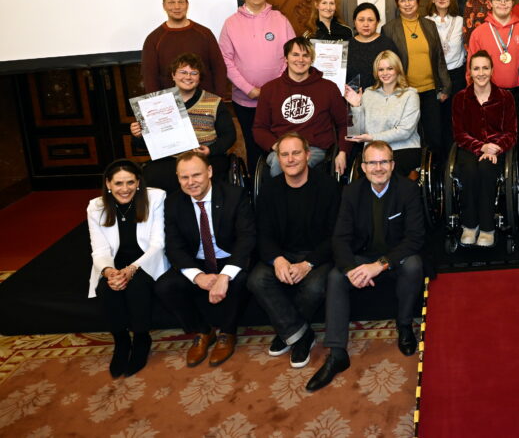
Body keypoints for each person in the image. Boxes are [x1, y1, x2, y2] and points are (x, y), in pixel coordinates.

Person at [306, 141, 425, 392]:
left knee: (414, 265)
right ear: (362, 167)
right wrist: (351, 269)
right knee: (336, 277)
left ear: (393, 165)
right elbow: (340, 237)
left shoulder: (409, 190)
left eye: (384, 162)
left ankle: (404, 325)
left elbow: (415, 238)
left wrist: (379, 265)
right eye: (372, 162)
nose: (378, 168)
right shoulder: (351, 192)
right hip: (363, 256)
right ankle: (337, 353)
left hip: (394, 257)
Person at [247, 133, 340, 369]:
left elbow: (336, 235)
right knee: (257, 279)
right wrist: (277, 260)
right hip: (283, 253)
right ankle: (300, 334)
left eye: (296, 153)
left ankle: (288, 331)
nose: (290, 159)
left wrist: (307, 264)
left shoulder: (328, 187)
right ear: (277, 158)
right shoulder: (269, 190)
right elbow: (263, 233)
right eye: (284, 154)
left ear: (308, 155)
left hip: (318, 256)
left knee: (315, 285)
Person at [155, 151, 255, 367]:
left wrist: (225, 275)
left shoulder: (234, 195)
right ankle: (203, 330)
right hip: (197, 261)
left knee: (241, 280)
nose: (191, 182)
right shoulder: (173, 203)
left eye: (196, 175)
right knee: (165, 286)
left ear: (209, 172)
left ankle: (227, 333)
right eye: (184, 177)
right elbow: (174, 246)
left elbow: (247, 238)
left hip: (228, 257)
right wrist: (197, 275)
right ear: (178, 178)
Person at [87, 159, 168, 377]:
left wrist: (132, 269)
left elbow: (157, 244)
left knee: (137, 286)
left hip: (146, 262)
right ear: (108, 184)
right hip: (115, 264)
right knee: (107, 288)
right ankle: (121, 341)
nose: (125, 189)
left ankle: (142, 338)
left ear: (138, 182)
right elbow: (99, 250)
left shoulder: (156, 198)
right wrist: (108, 272)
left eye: (130, 182)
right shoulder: (95, 207)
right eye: (119, 183)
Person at [219, 0, 296, 172]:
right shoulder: (231, 23)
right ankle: (257, 192)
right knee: (254, 149)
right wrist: (249, 89)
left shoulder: (280, 19)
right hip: (245, 101)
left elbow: (292, 55)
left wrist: (273, 88)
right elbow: (225, 59)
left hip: (278, 99)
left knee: (282, 147)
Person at [130, 53, 236, 191]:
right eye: (183, 72)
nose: (188, 77)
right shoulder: (156, 104)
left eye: (194, 73)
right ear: (173, 75)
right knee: (151, 175)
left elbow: (229, 136)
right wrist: (137, 134)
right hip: (170, 160)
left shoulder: (214, 102)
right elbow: (143, 145)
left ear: (199, 78)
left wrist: (210, 150)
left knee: (210, 172)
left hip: (206, 158)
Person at [252, 37, 351, 177]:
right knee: (282, 162)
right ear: (286, 58)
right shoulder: (270, 89)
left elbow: (344, 123)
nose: (301, 59)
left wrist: (343, 152)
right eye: (295, 54)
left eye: (306, 55)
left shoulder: (328, 88)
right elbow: (259, 128)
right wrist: (277, 146)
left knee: (297, 163)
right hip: (281, 148)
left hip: (314, 148)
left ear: (312, 60)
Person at [452, 50, 517, 247]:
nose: (481, 73)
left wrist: (494, 149)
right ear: (469, 72)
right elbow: (459, 133)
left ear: (492, 70)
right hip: (470, 148)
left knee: (487, 170)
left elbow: (511, 133)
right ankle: (470, 225)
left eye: (485, 68)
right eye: (476, 68)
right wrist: (481, 147)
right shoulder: (460, 98)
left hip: (497, 150)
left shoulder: (505, 97)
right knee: (470, 171)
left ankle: (488, 227)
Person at [467, 0, 519, 173]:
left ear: (513, 2)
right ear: (491, 3)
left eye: (507, 0)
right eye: (499, 0)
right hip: (490, 96)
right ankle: (496, 179)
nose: (503, 4)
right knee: (494, 139)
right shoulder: (479, 32)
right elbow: (470, 68)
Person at [381, 0, 451, 158]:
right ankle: (414, 173)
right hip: (404, 92)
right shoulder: (389, 29)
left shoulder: (429, 25)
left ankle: (435, 175)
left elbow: (439, 58)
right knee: (410, 138)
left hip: (430, 91)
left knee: (434, 137)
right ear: (397, 4)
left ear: (417, 2)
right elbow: (388, 63)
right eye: (402, 0)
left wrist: (446, 87)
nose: (407, 4)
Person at [142, 0, 229, 99]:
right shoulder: (153, 39)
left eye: (181, 2)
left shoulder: (205, 33)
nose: (177, 7)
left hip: (205, 102)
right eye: (171, 2)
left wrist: (220, 97)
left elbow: (219, 68)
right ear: (164, 6)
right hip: (171, 106)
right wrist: (158, 106)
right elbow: (150, 77)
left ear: (187, 5)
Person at [344, 50, 421, 177]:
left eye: (389, 68)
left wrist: (372, 137)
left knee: (391, 172)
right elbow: (357, 132)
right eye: (381, 69)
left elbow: (405, 131)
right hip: (374, 151)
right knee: (365, 176)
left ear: (397, 69)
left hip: (403, 149)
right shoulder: (368, 93)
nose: (385, 73)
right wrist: (356, 106)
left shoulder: (410, 95)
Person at [425, 0, 466, 154]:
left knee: (455, 122)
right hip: (433, 78)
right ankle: (438, 163)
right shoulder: (425, 22)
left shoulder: (460, 21)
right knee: (435, 124)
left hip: (456, 77)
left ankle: (454, 160)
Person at [348, 2, 400, 92]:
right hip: (354, 98)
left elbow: (397, 73)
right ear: (354, 22)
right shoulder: (347, 46)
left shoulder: (387, 44)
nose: (366, 24)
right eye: (361, 20)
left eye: (370, 20)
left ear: (377, 22)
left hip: (383, 97)